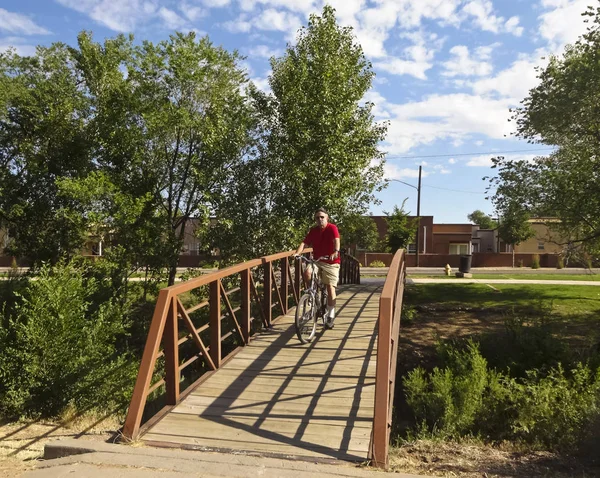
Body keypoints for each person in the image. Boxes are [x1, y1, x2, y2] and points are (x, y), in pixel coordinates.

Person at [295, 208, 341, 327]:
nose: (319, 219)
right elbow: (304, 243)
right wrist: (297, 253)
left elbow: (336, 240)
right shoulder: (313, 230)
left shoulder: (332, 228)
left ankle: (331, 315)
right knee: (307, 273)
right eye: (317, 217)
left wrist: (335, 251)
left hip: (331, 262)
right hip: (317, 260)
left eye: (322, 217)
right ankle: (313, 294)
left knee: (330, 288)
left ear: (327, 218)